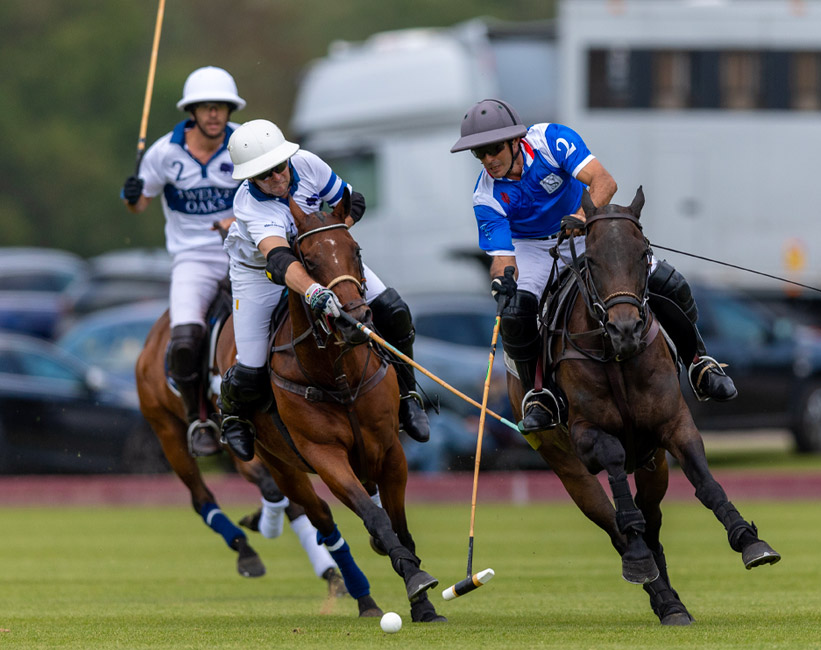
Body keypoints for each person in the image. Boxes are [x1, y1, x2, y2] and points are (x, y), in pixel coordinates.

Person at [450, 99, 737, 432]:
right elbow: (503, 258)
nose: (487, 160)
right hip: (531, 248)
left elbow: (604, 182)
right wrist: (503, 281)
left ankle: (699, 364)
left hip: (586, 228)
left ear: (516, 140)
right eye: (478, 153)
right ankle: (539, 396)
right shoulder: (485, 195)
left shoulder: (550, 140)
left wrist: (582, 218)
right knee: (515, 314)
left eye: (493, 149)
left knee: (669, 284)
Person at [218, 118, 430, 461]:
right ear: (250, 178)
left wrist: (331, 240)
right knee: (250, 368)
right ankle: (232, 417)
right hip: (259, 274)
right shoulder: (249, 205)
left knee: (394, 310)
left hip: (321, 260)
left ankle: (407, 397)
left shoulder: (308, 164)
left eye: (279, 168)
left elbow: (353, 203)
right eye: (264, 174)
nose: (276, 178)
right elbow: (280, 261)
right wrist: (315, 293)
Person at [121, 66, 247, 457]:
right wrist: (131, 194)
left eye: (221, 108)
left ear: (230, 110)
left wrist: (238, 219)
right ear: (192, 111)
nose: (214, 115)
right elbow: (139, 206)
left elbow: (269, 193)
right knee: (184, 339)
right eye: (206, 108)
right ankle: (199, 420)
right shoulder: (164, 153)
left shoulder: (244, 144)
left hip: (244, 251)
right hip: (193, 259)